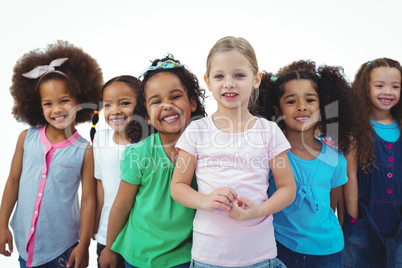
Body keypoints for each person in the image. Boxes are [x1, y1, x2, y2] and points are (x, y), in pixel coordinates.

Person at [171, 36, 296, 268]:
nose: (229, 83)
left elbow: (288, 188)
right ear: (208, 81)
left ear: (256, 79)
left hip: (260, 257)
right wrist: (205, 200)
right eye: (219, 76)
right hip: (208, 257)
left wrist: (259, 210)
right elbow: (178, 187)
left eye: (239, 75)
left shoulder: (268, 132)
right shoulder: (197, 130)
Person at [0, 41, 103, 268]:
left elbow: (88, 200)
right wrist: (1, 224)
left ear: (80, 100)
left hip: (63, 249)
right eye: (48, 103)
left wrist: (84, 244)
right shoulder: (25, 138)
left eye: (65, 101)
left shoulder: (85, 150)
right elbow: (13, 181)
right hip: (24, 244)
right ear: (38, 106)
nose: (57, 109)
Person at [99, 55, 206, 268]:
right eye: (156, 102)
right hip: (139, 254)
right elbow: (121, 205)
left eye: (175, 97)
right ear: (147, 116)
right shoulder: (138, 153)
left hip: (186, 255)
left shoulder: (207, 150)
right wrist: (110, 249)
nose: (167, 105)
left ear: (192, 103)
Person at [259, 60, 361, 268]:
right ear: (277, 111)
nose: (302, 107)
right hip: (279, 248)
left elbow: (331, 202)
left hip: (327, 251)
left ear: (322, 107)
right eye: (291, 101)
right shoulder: (268, 154)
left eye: (310, 100)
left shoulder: (334, 157)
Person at [342, 58, 402, 267]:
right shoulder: (356, 127)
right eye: (379, 85)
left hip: (399, 225)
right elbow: (349, 175)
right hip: (363, 223)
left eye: (395, 86)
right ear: (365, 88)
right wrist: (354, 219)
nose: (388, 92)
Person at [91, 75, 140, 268]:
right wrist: (96, 225)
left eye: (125, 103)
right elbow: (101, 185)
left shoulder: (148, 144)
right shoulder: (100, 142)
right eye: (108, 105)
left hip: (139, 237)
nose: (115, 111)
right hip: (107, 235)